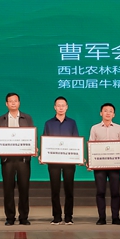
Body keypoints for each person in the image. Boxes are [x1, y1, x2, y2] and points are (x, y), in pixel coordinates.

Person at [0, 92, 34, 225]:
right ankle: (10, 217)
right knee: (8, 189)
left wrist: (33, 148)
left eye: (15, 101)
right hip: (7, 160)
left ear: (19, 103)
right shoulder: (1, 119)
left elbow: (31, 136)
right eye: (10, 101)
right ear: (6, 104)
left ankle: (24, 217)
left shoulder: (27, 118)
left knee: (24, 188)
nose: (13, 103)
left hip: (23, 159)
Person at [42, 96, 79, 225]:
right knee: (55, 189)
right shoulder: (48, 123)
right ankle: (56, 216)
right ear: (55, 107)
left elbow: (76, 140)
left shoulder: (72, 123)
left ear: (67, 107)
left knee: (69, 189)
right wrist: (43, 155)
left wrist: (78, 156)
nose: (61, 107)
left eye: (63, 105)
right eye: (58, 105)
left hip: (69, 161)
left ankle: (68, 217)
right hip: (53, 162)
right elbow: (45, 140)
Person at [88, 103, 120, 225]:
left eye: (110, 111)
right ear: (101, 113)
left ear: (114, 114)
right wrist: (91, 162)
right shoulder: (95, 128)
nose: (108, 113)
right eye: (105, 110)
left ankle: (116, 218)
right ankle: (102, 218)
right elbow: (91, 145)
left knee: (115, 192)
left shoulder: (119, 128)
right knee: (100, 192)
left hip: (114, 166)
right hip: (99, 166)